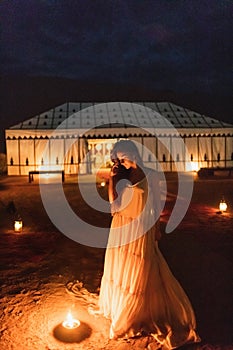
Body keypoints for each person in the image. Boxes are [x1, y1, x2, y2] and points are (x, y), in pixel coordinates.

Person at [98, 140, 200, 349]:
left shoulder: (152, 174)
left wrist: (156, 228)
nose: (119, 162)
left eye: (121, 158)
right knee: (122, 267)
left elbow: (155, 203)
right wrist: (112, 178)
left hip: (140, 227)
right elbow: (113, 206)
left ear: (132, 154)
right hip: (122, 225)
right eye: (116, 159)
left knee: (142, 267)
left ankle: (137, 310)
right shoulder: (121, 176)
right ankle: (123, 306)